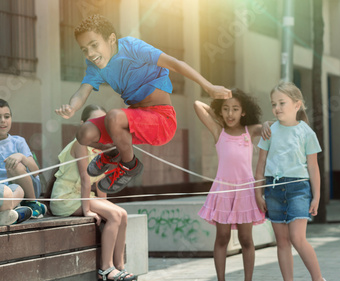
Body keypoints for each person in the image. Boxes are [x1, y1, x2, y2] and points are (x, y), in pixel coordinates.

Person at [55, 14, 231, 194]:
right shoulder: (94, 67)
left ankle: (129, 166)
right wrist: (72, 107)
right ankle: (114, 152)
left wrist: (208, 87)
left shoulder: (132, 47)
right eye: (84, 49)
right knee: (84, 134)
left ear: (111, 39)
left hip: (161, 120)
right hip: (135, 121)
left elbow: (176, 64)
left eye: (94, 45)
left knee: (114, 116)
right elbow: (83, 91)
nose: (90, 54)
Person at [50, 105, 142, 281]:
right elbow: (85, 179)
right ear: (84, 125)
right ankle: (106, 270)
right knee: (115, 215)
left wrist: (106, 205)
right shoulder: (80, 144)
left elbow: (102, 184)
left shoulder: (102, 150)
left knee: (121, 214)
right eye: (95, 125)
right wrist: (87, 211)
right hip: (66, 197)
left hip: (82, 196)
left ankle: (119, 268)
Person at [255, 81, 329, 281]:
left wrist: (316, 196)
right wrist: (258, 193)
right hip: (273, 189)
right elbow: (260, 164)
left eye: (282, 103)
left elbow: (313, 167)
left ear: (297, 105)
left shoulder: (306, 132)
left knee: (298, 238)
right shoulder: (269, 131)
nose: (277, 108)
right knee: (282, 241)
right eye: (273, 104)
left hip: (299, 189)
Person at [194, 89, 265, 281]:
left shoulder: (249, 131)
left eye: (235, 109)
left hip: (245, 191)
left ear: (244, 112)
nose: (230, 113)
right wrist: (218, 109)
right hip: (223, 190)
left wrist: (268, 125)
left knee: (246, 239)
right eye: (226, 109)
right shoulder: (219, 131)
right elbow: (198, 105)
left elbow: (269, 127)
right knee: (222, 237)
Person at [0, 98, 47, 217]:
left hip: (28, 189)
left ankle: (33, 203)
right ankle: (18, 212)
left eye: (7, 116)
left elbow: (35, 172)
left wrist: (22, 157)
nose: (3, 121)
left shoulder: (18, 142)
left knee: (14, 165)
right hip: (4, 192)